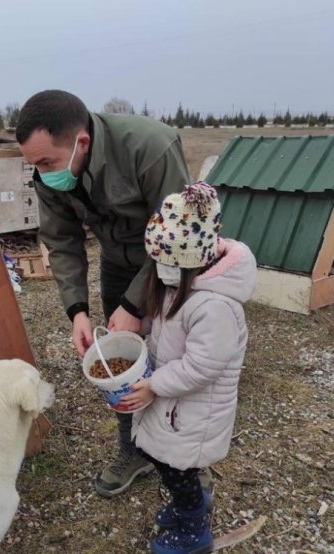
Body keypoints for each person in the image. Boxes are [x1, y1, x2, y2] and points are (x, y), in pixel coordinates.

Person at [16, 90, 192, 497]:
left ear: (82, 143)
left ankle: (186, 460)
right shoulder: (49, 177)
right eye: (34, 165)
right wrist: (77, 310)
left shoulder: (151, 147)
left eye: (46, 163)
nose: (41, 174)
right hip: (118, 261)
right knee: (123, 361)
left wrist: (134, 304)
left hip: (175, 262)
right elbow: (61, 243)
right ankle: (134, 450)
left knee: (174, 356)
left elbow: (177, 236)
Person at [122, 182, 256, 554]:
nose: (161, 269)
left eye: (169, 263)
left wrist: (153, 385)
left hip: (194, 412)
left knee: (178, 469)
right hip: (173, 405)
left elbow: (201, 366)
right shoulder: (178, 286)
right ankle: (191, 503)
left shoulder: (215, 307)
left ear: (192, 260)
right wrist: (138, 330)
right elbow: (166, 324)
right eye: (158, 261)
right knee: (163, 460)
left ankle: (195, 528)